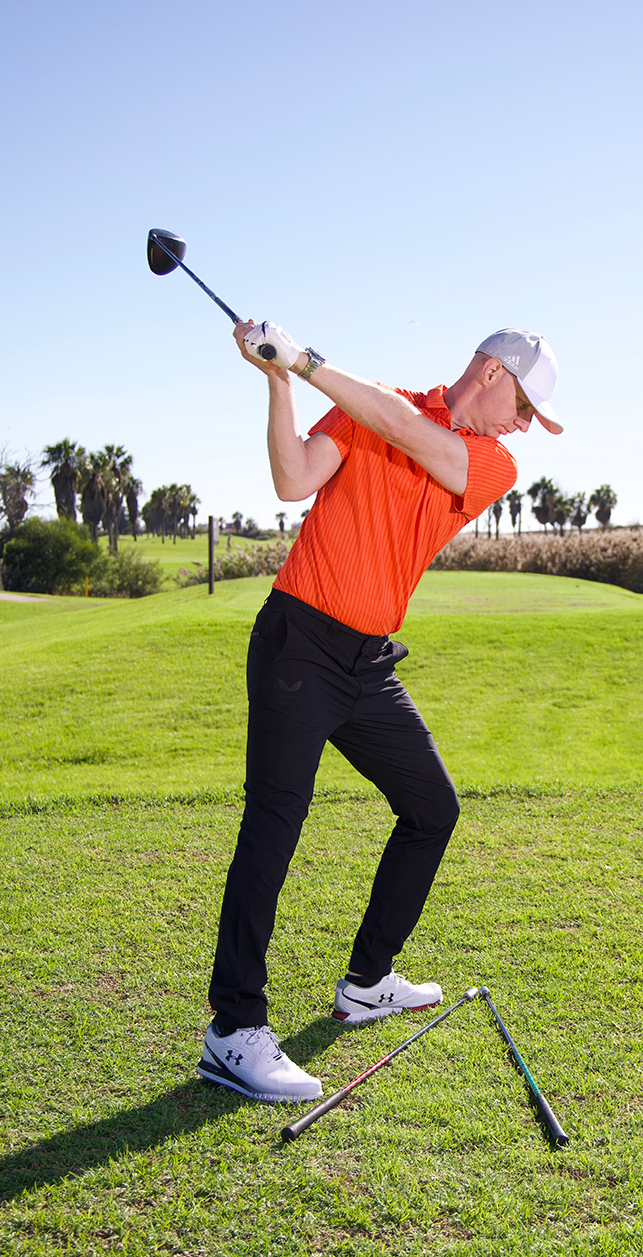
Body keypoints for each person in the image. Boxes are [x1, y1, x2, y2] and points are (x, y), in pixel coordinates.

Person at [196, 319, 562, 1102]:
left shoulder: (489, 461)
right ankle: (233, 1028)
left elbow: (407, 431)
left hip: (367, 662)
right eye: (525, 406)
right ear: (494, 373)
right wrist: (280, 381)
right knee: (274, 822)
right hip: (299, 642)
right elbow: (293, 480)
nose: (524, 425)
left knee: (433, 807)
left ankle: (367, 980)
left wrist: (305, 359)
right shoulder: (372, 405)